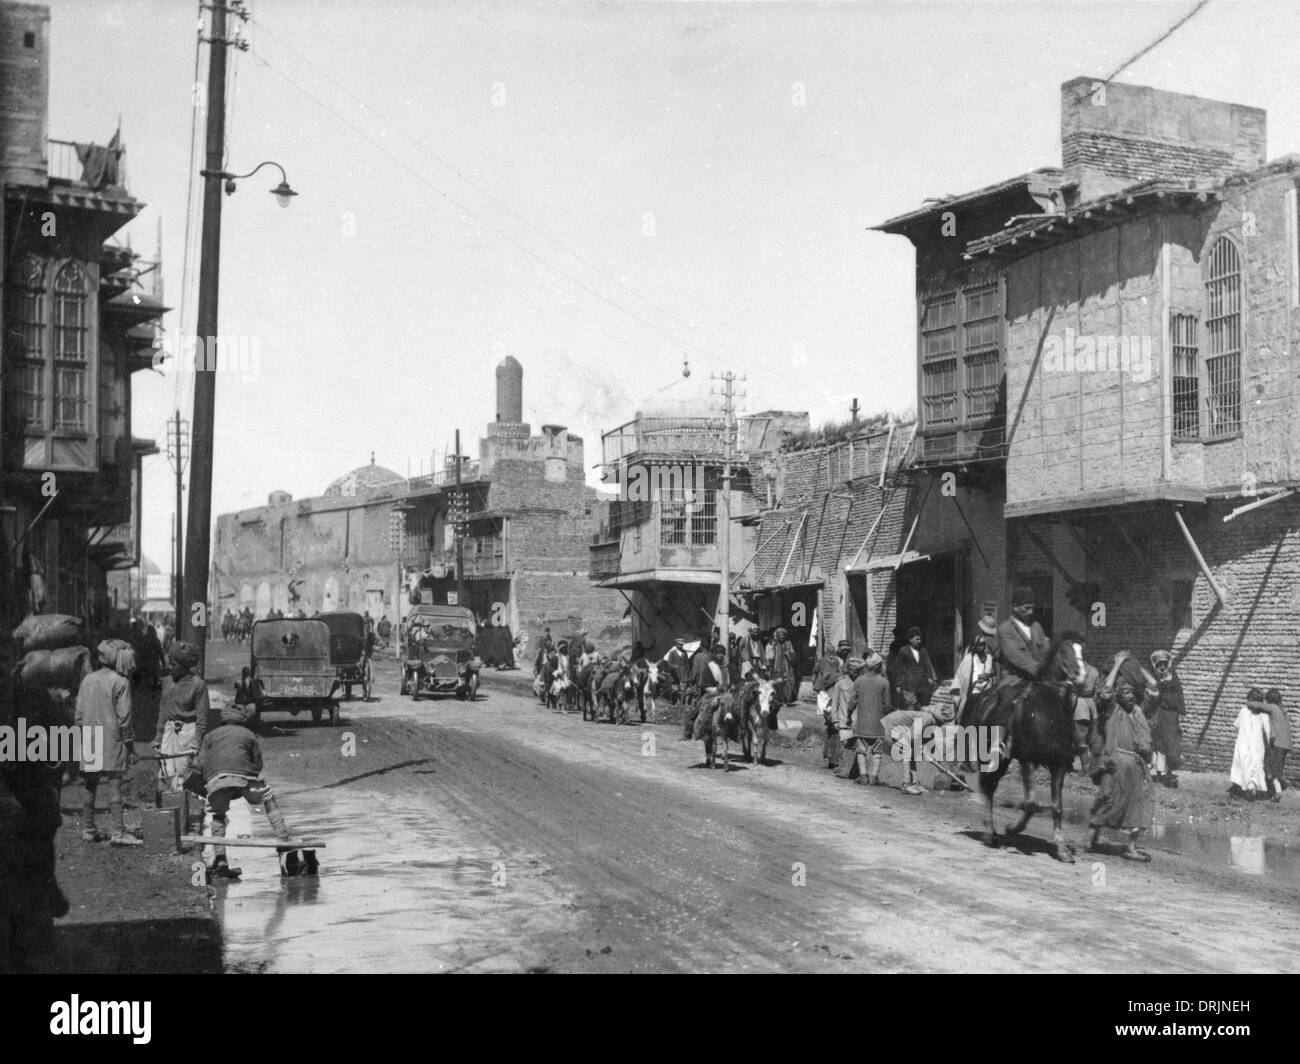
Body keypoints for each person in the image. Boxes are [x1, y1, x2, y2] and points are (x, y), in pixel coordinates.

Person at [195, 704, 295, 880]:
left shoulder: (210, 736)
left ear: (223, 719)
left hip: (217, 780)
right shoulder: (249, 735)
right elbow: (258, 765)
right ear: (242, 720)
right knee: (268, 797)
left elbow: (201, 764)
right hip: (245, 778)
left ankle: (221, 859)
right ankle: (283, 839)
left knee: (218, 815)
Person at [74, 641, 141, 846]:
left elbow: (78, 716)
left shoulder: (87, 680)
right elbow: (125, 719)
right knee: (114, 787)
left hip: (90, 737)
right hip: (113, 740)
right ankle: (118, 831)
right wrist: (130, 747)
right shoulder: (121, 682)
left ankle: (88, 828)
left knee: (90, 785)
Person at [1087, 679, 1154, 861]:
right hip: (1116, 763)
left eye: (1132, 692)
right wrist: (1117, 664)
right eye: (1125, 693)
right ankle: (1092, 838)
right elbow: (1105, 692)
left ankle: (1132, 847)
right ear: (1118, 696)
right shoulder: (1113, 711)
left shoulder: (1138, 713)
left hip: (1136, 764)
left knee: (1139, 804)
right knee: (1109, 799)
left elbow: (1155, 691)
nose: (1130, 696)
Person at [152, 642, 211, 831]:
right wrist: (158, 737)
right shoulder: (167, 682)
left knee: (180, 780)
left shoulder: (198, 685)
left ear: (184, 665)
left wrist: (197, 743)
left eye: (173, 664)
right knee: (164, 777)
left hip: (187, 732)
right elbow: (162, 710)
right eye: (169, 662)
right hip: (169, 731)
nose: (170, 667)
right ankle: (164, 824)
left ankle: (180, 827)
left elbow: (202, 719)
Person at [844, 652, 891, 785]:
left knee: (861, 750)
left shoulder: (859, 681)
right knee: (877, 751)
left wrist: (848, 714)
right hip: (878, 723)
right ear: (877, 666)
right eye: (881, 664)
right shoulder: (884, 682)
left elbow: (852, 701)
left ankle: (863, 776)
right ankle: (874, 776)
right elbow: (887, 705)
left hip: (862, 723)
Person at [1147, 650, 1185, 788]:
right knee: (1158, 744)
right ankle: (1159, 772)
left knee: (1169, 743)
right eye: (1159, 665)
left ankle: (1164, 771)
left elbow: (1176, 699)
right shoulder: (1154, 680)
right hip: (1158, 716)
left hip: (1170, 716)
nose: (1161, 668)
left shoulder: (1172, 679)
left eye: (1164, 664)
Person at [950, 619, 996, 727]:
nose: (982, 647)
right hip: (972, 693)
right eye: (980, 645)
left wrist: (988, 675)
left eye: (983, 645)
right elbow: (960, 676)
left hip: (985, 692)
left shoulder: (989, 657)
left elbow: (993, 670)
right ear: (975, 646)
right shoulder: (969, 659)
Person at [1230, 689, 1271, 800]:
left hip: (1243, 742)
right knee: (1256, 765)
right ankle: (1255, 788)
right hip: (1257, 745)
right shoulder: (1264, 715)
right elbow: (1268, 732)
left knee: (1243, 764)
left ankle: (1247, 787)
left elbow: (1236, 725)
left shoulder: (1243, 711)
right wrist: (1269, 744)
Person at [683, 644, 729, 741]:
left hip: (727, 693)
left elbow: (734, 680)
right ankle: (689, 731)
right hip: (712, 692)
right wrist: (716, 690)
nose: (720, 655)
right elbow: (704, 685)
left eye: (722, 653)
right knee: (695, 711)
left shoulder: (728, 666)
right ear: (713, 654)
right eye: (718, 653)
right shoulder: (709, 667)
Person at [893, 627, 937, 710]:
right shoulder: (903, 651)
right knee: (911, 706)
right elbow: (899, 668)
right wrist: (898, 684)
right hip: (910, 684)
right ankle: (911, 722)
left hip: (922, 683)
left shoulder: (923, 651)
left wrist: (929, 677)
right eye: (917, 639)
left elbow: (927, 665)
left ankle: (918, 723)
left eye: (920, 639)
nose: (919, 641)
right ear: (910, 639)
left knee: (921, 707)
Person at [826, 656, 856, 771]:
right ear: (848, 670)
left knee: (854, 747)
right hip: (843, 719)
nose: (856, 674)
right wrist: (835, 719)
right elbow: (834, 704)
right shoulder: (840, 683)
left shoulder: (859, 682)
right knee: (845, 744)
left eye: (857, 671)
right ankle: (843, 769)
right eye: (854, 671)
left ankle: (850, 770)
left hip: (856, 721)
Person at [1263, 689, 1291, 802]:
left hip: (1277, 743)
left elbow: (1261, 707)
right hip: (1285, 744)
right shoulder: (1282, 710)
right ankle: (1275, 787)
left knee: (1272, 768)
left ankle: (1277, 791)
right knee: (1278, 767)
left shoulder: (1272, 708)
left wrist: (1251, 703)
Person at [813, 640, 850, 719]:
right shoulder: (835, 660)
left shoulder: (824, 660)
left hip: (827, 685)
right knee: (828, 703)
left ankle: (829, 718)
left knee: (826, 704)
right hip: (829, 685)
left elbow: (817, 671)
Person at [767, 627, 796, 706]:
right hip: (777, 666)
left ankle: (786, 700)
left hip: (786, 667)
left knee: (787, 683)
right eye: (779, 636)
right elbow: (769, 655)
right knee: (777, 683)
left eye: (783, 636)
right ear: (777, 636)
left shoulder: (788, 643)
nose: (781, 637)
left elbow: (793, 655)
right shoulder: (773, 643)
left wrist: (789, 654)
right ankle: (778, 700)